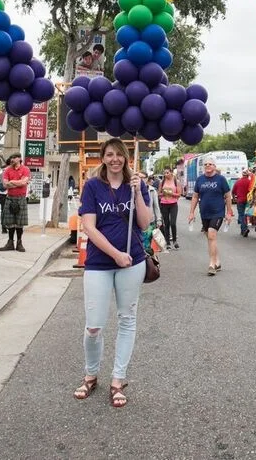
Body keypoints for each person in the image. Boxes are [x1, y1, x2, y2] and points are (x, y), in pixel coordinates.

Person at [73, 138, 152, 409]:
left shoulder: (137, 184)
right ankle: (90, 374)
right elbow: (89, 227)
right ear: (103, 158)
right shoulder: (94, 186)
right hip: (99, 262)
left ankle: (118, 379)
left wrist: (138, 193)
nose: (115, 159)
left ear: (127, 157)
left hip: (133, 261)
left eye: (120, 154)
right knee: (94, 325)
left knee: (127, 319)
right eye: (109, 154)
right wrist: (115, 254)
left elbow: (144, 223)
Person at [188, 158, 233, 276]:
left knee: (212, 235)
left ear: (214, 166)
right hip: (204, 213)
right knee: (210, 238)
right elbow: (195, 197)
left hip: (218, 212)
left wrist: (229, 213)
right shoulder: (200, 180)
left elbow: (228, 196)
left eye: (210, 164)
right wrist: (191, 212)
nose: (208, 166)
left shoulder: (221, 179)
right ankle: (217, 261)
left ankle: (212, 264)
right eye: (206, 164)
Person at [0, 154, 31, 252]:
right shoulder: (7, 170)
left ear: (19, 159)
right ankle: (10, 243)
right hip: (10, 197)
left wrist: (12, 182)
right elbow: (5, 185)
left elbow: (24, 182)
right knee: (10, 223)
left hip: (21, 198)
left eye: (14, 158)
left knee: (19, 223)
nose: (12, 160)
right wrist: (18, 182)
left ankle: (19, 243)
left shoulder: (25, 169)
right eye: (11, 158)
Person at [158, 168, 181, 250]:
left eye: (167, 172)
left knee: (173, 223)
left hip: (173, 204)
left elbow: (179, 194)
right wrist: (163, 193)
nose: (165, 174)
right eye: (164, 173)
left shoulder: (176, 181)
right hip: (164, 204)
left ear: (171, 173)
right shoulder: (162, 182)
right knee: (166, 224)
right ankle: (167, 242)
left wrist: (170, 193)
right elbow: (159, 194)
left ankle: (174, 240)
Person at [232, 169, 254, 237]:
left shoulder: (238, 182)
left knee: (241, 215)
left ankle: (244, 229)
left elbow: (233, 192)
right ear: (247, 175)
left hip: (240, 200)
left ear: (242, 175)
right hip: (248, 201)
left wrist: (234, 198)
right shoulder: (250, 182)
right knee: (246, 215)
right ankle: (243, 230)